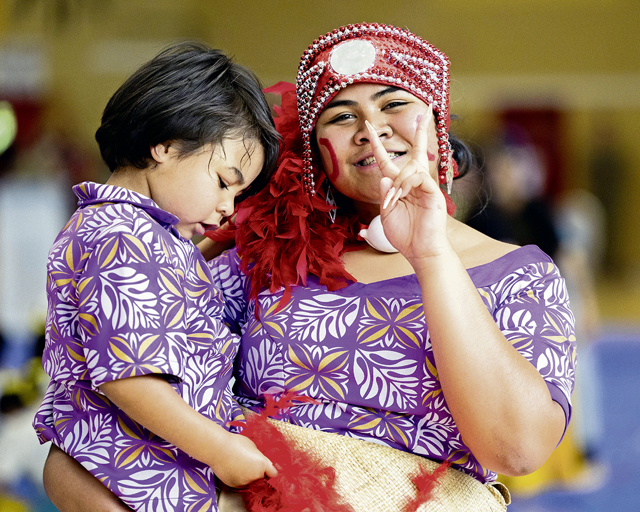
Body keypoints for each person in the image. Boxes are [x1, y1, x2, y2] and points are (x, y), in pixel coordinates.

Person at [43, 24, 576, 511]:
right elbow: (125, 372)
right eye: (341, 117)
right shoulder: (258, 258)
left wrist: (431, 254)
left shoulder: (517, 275)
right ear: (314, 153)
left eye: (393, 104)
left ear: (437, 121)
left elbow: (517, 450)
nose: (369, 129)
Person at [32, 42, 281, 512]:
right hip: (133, 474)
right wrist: (221, 450)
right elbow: (128, 376)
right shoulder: (122, 237)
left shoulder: (139, 232)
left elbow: (165, 298)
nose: (227, 207)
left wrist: (216, 243)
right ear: (164, 144)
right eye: (224, 182)